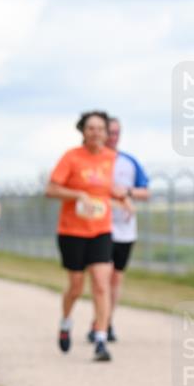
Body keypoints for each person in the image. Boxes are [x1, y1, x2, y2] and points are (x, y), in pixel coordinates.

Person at [46, 110, 127, 362]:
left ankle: (100, 339)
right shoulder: (71, 157)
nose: (96, 133)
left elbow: (105, 188)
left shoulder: (112, 158)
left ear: (106, 133)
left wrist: (121, 196)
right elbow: (51, 189)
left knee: (101, 284)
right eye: (91, 128)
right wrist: (76, 195)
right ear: (82, 131)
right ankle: (66, 322)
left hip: (101, 230)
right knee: (76, 286)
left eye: (100, 129)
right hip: (72, 231)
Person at [90, 116, 149, 343]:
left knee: (115, 279)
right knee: (101, 278)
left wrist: (128, 193)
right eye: (109, 132)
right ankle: (99, 324)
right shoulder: (95, 162)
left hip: (125, 230)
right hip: (100, 227)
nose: (113, 137)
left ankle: (107, 320)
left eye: (116, 133)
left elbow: (146, 191)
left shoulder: (128, 162)